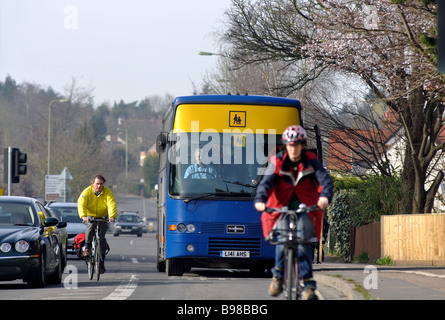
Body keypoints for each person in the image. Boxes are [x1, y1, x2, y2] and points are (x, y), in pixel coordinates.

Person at [254, 125, 333, 300]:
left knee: (304, 242)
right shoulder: (278, 161)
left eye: (297, 145)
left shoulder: (312, 161)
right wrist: (260, 200)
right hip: (281, 207)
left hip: (306, 208)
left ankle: (309, 286)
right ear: (285, 146)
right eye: (290, 145)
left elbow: (325, 180)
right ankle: (278, 276)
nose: (293, 149)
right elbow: (266, 183)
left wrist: (325, 197)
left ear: (303, 145)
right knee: (282, 238)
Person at [78, 174, 117, 274]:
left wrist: (112, 216)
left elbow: (111, 203)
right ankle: (87, 248)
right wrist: (83, 216)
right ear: (92, 183)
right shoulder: (87, 192)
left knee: (102, 238)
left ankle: (102, 261)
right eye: (97, 184)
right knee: (90, 228)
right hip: (90, 216)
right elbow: (81, 203)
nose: (99, 186)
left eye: (101, 184)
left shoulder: (107, 192)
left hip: (102, 216)